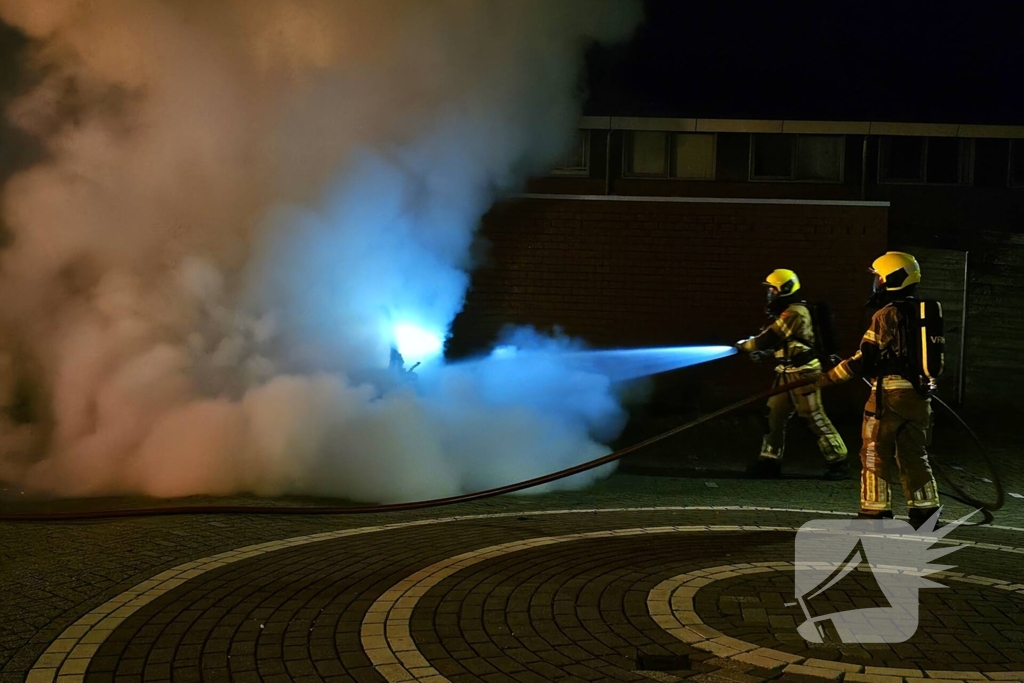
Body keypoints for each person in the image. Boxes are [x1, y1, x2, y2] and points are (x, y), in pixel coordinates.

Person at [816, 252, 940, 525]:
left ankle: (875, 511)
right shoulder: (924, 314)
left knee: (874, 451)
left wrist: (831, 377)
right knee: (914, 453)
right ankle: (926, 512)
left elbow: (865, 357)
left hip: (888, 397)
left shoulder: (887, 315)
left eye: (879, 277)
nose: (876, 282)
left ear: (891, 279)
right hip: (920, 397)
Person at [736, 269, 849, 479]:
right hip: (786, 372)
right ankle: (769, 460)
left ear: (784, 289)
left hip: (804, 374)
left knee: (812, 416)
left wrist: (744, 346)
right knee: (773, 415)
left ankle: (838, 461)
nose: (770, 293)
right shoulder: (787, 312)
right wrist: (765, 354)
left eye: (773, 289)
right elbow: (781, 342)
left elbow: (769, 338)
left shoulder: (795, 312)